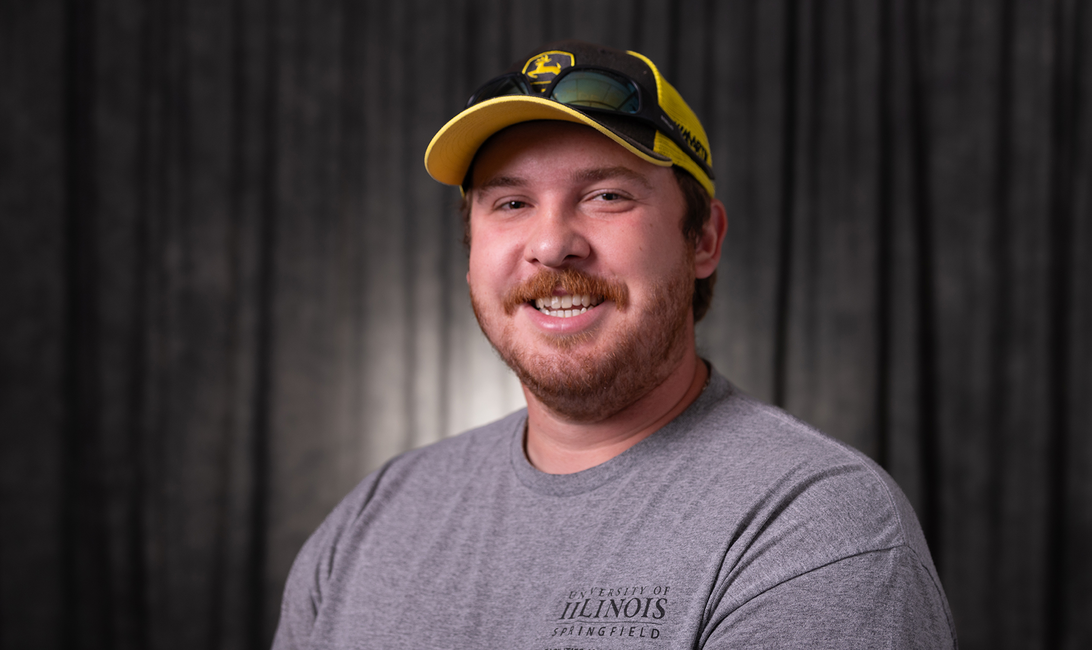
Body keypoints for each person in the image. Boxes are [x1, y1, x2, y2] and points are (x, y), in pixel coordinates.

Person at [272, 40, 956, 649]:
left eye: (605, 195)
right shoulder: (376, 516)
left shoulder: (816, 528)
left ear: (704, 239)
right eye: (510, 204)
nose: (551, 243)